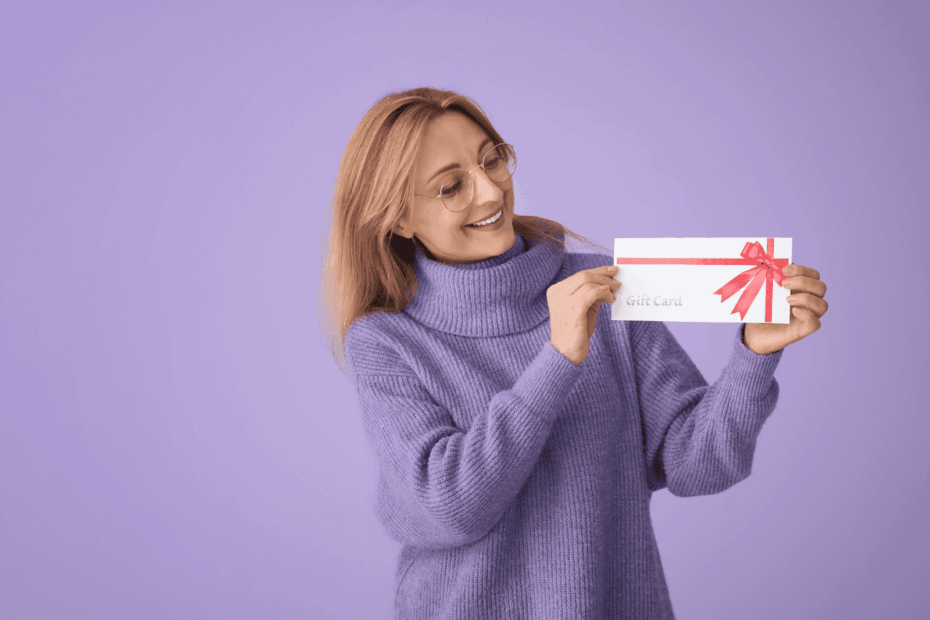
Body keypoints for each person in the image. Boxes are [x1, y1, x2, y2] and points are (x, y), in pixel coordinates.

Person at [318, 87, 828, 620]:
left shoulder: (602, 289)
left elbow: (695, 466)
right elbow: (451, 509)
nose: (490, 192)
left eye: (491, 160)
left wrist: (752, 356)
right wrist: (557, 359)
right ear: (399, 219)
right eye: (451, 186)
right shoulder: (386, 341)